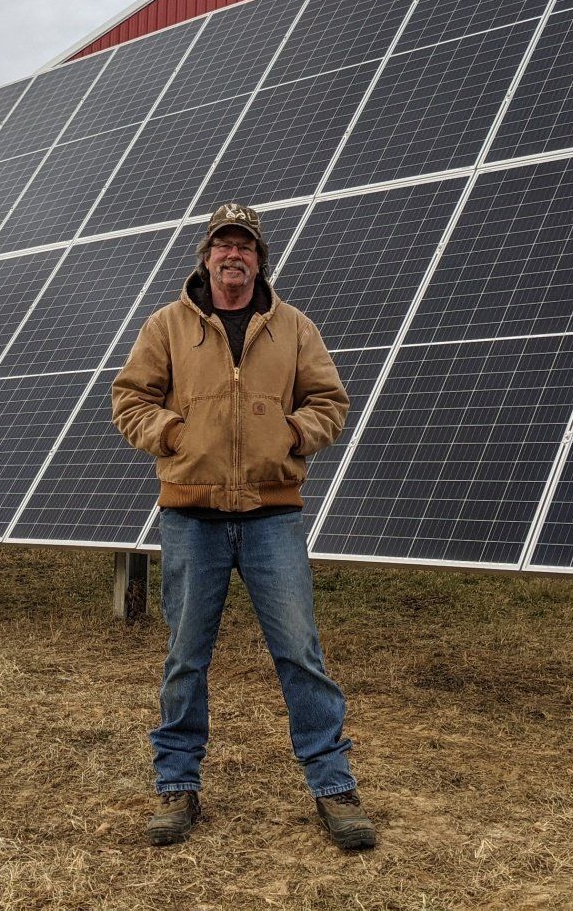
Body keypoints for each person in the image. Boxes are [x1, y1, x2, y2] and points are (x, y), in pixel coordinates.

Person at [112, 202, 377, 852]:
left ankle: (333, 785)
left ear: (260, 259)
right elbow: (129, 399)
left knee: (300, 654)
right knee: (185, 660)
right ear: (205, 256)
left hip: (271, 516)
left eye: (247, 247)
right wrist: (173, 434)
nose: (234, 256)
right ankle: (177, 785)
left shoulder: (293, 328)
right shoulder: (167, 326)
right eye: (223, 245)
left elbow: (330, 402)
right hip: (191, 519)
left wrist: (291, 433)